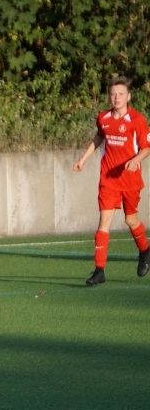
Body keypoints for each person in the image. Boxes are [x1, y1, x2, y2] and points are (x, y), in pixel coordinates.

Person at [72, 75, 150, 285]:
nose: (116, 98)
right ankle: (99, 270)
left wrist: (135, 160)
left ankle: (145, 251)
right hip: (108, 179)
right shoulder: (103, 118)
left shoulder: (137, 120)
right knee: (104, 222)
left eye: (120, 94)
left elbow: (146, 148)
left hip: (130, 180)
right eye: (113, 94)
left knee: (131, 220)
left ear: (128, 97)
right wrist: (83, 160)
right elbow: (99, 137)